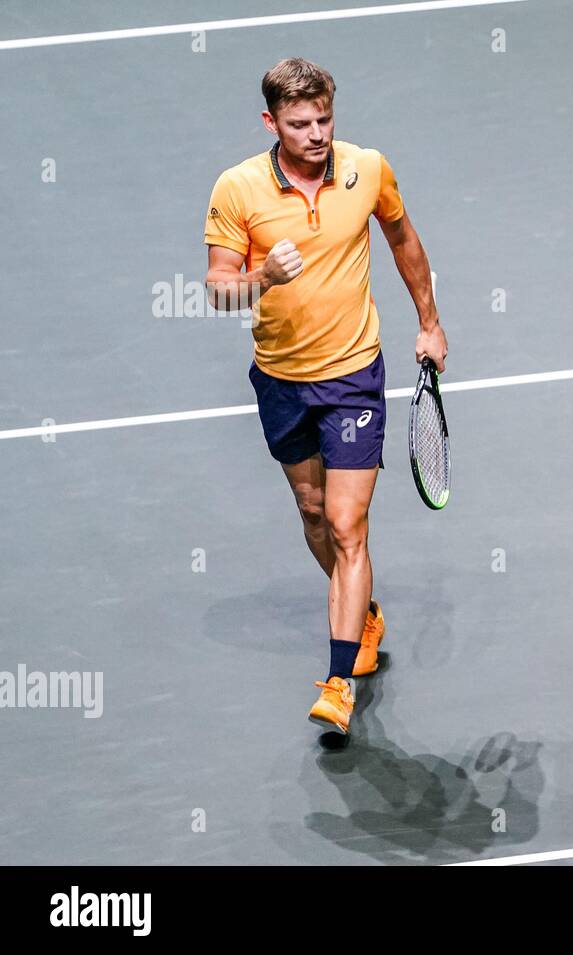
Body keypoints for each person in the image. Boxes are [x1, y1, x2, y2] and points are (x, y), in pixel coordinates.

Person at [204, 57, 447, 736]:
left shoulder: (366, 168)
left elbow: (402, 238)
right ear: (271, 122)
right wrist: (261, 275)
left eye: (324, 120)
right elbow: (218, 288)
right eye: (299, 123)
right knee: (313, 515)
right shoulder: (239, 189)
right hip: (281, 378)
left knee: (347, 525)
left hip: (353, 376)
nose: (315, 134)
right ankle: (364, 615)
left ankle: (340, 680)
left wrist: (429, 322)